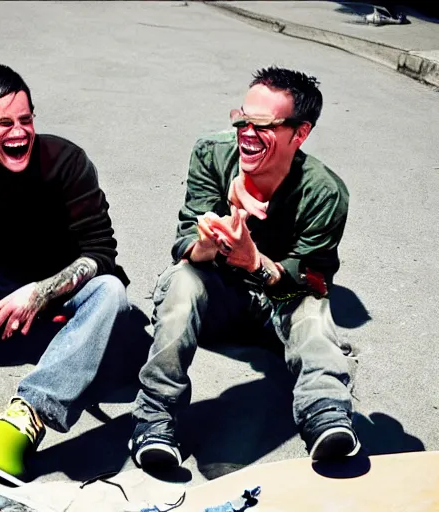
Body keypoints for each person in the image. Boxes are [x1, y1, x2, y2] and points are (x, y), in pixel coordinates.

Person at [129, 66, 360, 470]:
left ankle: (325, 412)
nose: (246, 133)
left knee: (312, 307)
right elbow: (183, 245)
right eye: (242, 119)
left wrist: (254, 261)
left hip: (276, 309)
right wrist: (205, 245)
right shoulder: (211, 154)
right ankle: (155, 418)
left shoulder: (324, 192)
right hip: (217, 305)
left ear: (299, 133)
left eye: (263, 124)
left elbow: (314, 279)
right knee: (182, 281)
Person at [0, 64, 129, 484]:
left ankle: (29, 414)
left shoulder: (67, 162)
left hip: (68, 292)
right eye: (5, 122)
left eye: (26, 120)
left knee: (111, 292)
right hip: (0, 283)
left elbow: (102, 253)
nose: (19, 132)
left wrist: (40, 292)